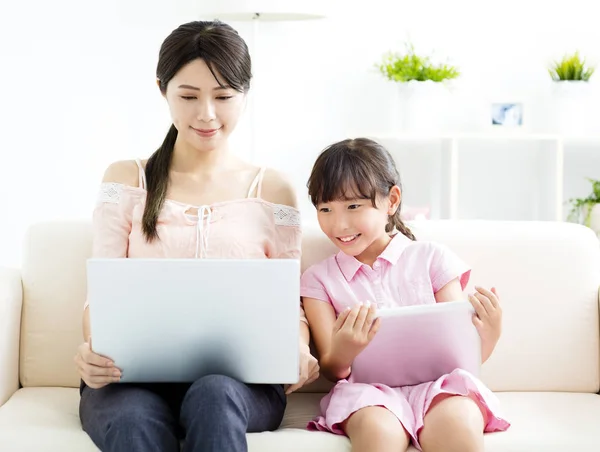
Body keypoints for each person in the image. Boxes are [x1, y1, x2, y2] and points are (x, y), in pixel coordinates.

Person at [73, 20, 319, 452]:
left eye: (223, 97)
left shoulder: (273, 190)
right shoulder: (127, 179)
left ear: (245, 94)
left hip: (239, 386)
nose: (206, 113)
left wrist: (298, 351)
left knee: (213, 396)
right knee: (132, 422)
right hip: (132, 382)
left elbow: (286, 303)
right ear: (162, 89)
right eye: (188, 96)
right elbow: (102, 297)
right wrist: (93, 353)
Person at [300, 138, 510, 452]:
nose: (338, 223)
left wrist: (490, 334)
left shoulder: (431, 259)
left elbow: (463, 358)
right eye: (325, 209)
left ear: (392, 200)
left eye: (353, 206)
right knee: (378, 434)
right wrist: (344, 350)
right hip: (367, 394)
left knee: (458, 423)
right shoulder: (318, 279)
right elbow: (332, 369)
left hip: (440, 387)